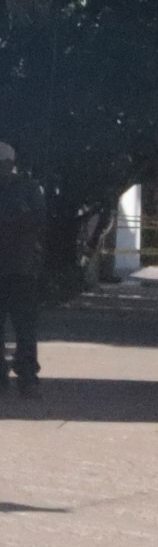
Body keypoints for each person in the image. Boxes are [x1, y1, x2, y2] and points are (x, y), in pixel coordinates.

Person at [0, 142, 43, 394]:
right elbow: (41, 221)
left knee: (24, 325)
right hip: (22, 268)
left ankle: (24, 374)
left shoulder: (27, 188)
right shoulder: (28, 188)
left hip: (20, 268)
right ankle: (26, 375)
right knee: (25, 326)